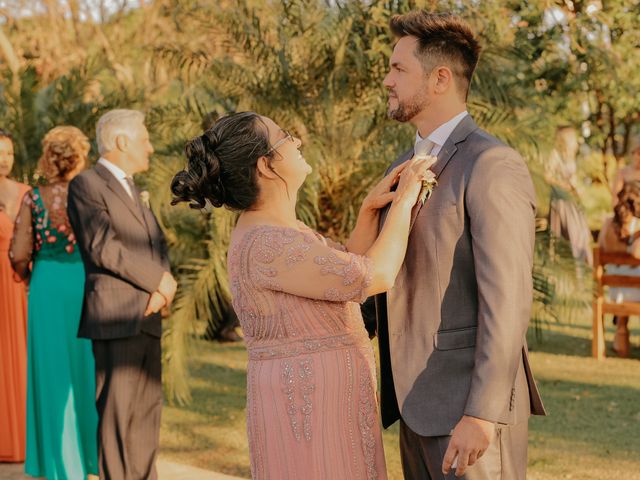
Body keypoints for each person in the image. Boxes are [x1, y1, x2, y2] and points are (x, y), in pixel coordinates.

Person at [170, 111, 432, 479]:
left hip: (327, 404)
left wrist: (367, 213)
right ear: (265, 165)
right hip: (310, 410)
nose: (297, 141)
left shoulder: (280, 231)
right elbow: (373, 276)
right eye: (286, 137)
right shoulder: (268, 244)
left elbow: (340, 279)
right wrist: (406, 200)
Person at [375, 11, 546, 479]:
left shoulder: (491, 163)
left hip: (467, 410)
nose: (387, 80)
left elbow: (507, 299)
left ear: (440, 79)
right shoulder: (401, 164)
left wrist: (483, 413)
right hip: (413, 404)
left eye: (398, 69)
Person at [67, 109, 177, 480]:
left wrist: (165, 286)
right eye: (145, 139)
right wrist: (157, 282)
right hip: (115, 315)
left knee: (148, 412)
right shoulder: (87, 185)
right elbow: (103, 247)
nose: (151, 146)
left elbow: (155, 244)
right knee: (117, 415)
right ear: (121, 142)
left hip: (148, 315)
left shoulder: (133, 189)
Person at [10, 126, 99, 479]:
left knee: (51, 372)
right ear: (79, 157)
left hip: (46, 286)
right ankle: (92, 458)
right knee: (86, 370)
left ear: (48, 158)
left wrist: (32, 276)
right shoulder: (91, 196)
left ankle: (61, 464)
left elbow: (18, 254)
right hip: (83, 284)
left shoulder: (33, 199)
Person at [0, 128, 28, 463]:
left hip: (18, 285)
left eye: (8, 152)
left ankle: (18, 438)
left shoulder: (26, 193)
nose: (4, 159)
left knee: (18, 357)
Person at [598, 180, 640, 358]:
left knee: (625, 279)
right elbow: (637, 254)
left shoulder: (607, 224)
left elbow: (600, 249)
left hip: (613, 292)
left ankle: (620, 335)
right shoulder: (637, 225)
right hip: (635, 291)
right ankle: (621, 333)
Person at [546, 126, 593, 266]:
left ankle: (581, 265)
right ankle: (566, 266)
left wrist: (577, 188)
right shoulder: (555, 154)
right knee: (567, 236)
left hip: (572, 200)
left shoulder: (571, 156)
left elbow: (573, 178)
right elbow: (547, 176)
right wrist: (563, 185)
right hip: (561, 201)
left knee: (581, 234)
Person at [611, 137, 640, 206]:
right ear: (633, 154)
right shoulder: (623, 172)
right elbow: (615, 195)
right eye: (638, 153)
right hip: (627, 211)